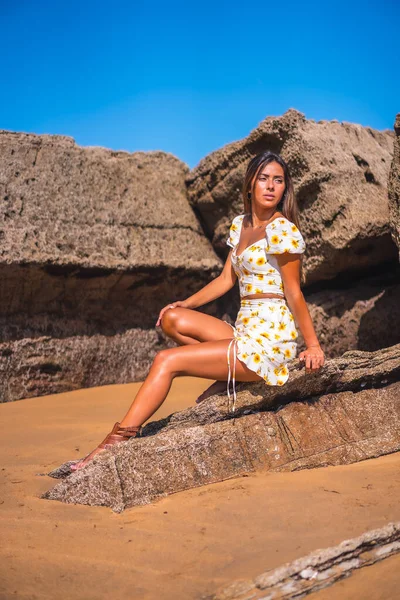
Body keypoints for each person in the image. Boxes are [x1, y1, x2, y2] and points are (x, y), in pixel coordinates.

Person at [71, 151, 325, 471]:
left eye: (278, 180)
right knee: (171, 319)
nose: (271, 186)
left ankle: (115, 442)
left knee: (166, 360)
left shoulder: (283, 230)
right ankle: (227, 375)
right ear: (249, 185)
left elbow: (293, 291)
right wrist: (184, 303)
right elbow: (224, 280)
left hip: (269, 339)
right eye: (263, 178)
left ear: (285, 188)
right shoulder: (241, 225)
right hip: (243, 330)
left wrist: (313, 345)